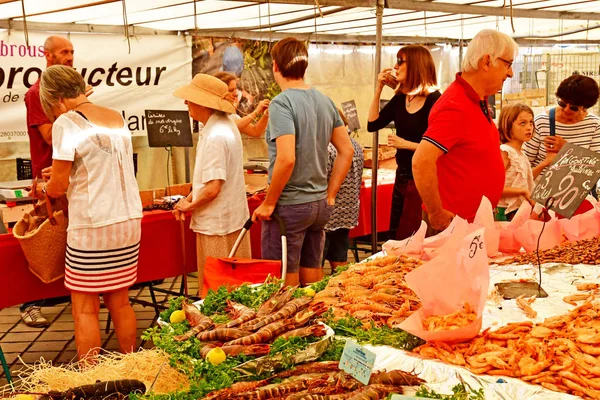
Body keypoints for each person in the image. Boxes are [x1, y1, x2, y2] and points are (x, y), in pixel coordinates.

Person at [35, 65, 142, 361]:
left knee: (85, 307)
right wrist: (60, 175)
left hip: (94, 224)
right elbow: (100, 163)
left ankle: (92, 377)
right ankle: (133, 365)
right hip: (128, 219)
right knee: (120, 301)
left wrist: (46, 187)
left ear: (56, 100)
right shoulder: (117, 116)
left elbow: (57, 187)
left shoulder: (66, 122)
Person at [251, 37, 354, 287]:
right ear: (304, 67)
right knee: (312, 271)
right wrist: (330, 194)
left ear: (275, 66)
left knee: (282, 282)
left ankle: (294, 324)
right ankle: (315, 323)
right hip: (319, 205)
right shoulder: (325, 100)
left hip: (290, 206)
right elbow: (347, 151)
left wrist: (269, 202)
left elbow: (286, 159)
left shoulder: (281, 103)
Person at [412, 29, 518, 234]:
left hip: (471, 221)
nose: (510, 73)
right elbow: (421, 161)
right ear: (486, 62)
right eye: (508, 64)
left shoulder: (477, 98)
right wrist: (436, 213)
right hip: (454, 224)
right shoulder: (455, 105)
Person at [21, 35, 84, 328]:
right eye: (64, 52)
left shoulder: (71, 93)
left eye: (71, 51)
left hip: (69, 178)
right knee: (43, 241)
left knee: (66, 241)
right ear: (47, 56)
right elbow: (50, 136)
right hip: (50, 178)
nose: (70, 57)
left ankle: (79, 296)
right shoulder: (37, 93)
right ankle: (28, 303)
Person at [172, 74, 251, 296]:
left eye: (190, 98)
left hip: (218, 225)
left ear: (203, 103)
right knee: (235, 287)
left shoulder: (216, 135)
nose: (186, 102)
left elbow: (213, 188)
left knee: (218, 290)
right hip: (229, 220)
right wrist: (186, 199)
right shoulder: (225, 126)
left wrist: (189, 206)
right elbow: (207, 183)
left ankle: (218, 327)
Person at [367, 45, 441, 240]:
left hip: (424, 179)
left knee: (416, 235)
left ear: (416, 65)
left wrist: (405, 144)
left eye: (401, 61)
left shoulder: (435, 100)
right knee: (397, 235)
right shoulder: (401, 99)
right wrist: (378, 89)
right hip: (402, 177)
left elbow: (443, 148)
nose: (395, 66)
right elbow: (373, 124)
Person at [523, 74, 600, 179]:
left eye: (574, 107)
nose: (566, 109)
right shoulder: (541, 121)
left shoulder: (594, 125)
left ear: (585, 107)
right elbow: (526, 162)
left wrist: (566, 149)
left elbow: (595, 166)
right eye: (562, 103)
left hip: (575, 187)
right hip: (541, 186)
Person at [495, 104, 556, 221]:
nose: (529, 127)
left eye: (531, 122)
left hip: (519, 211)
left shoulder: (521, 154)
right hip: (505, 213)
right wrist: (522, 191)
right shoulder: (505, 152)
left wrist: (545, 163)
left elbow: (525, 179)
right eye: (522, 123)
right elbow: (494, 188)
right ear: (507, 126)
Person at [323, 110, 364, 273]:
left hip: (328, 211)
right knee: (339, 256)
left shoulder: (329, 147)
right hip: (348, 211)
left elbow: (321, 177)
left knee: (317, 261)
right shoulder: (355, 144)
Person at [214, 71, 270, 137]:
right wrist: (256, 112)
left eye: (235, 89)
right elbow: (230, 127)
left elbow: (255, 131)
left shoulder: (231, 116)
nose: (236, 94)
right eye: (231, 90)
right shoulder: (211, 113)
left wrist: (266, 113)